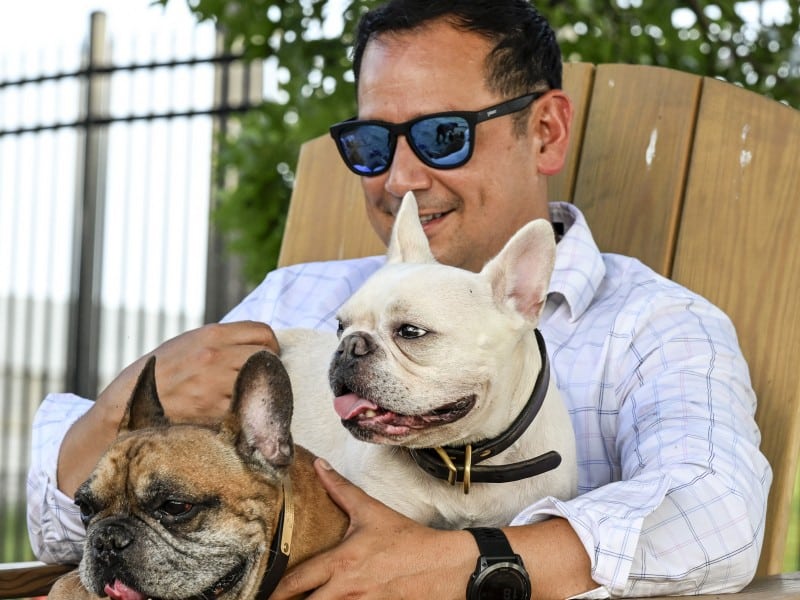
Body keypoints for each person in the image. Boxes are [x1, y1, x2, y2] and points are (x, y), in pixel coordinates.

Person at [28, 1, 771, 598]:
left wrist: (473, 564)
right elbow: (118, 534)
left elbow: (717, 515)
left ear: (544, 131)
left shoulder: (655, 325)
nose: (400, 179)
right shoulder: (295, 301)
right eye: (373, 146)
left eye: (443, 135)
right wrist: (105, 419)